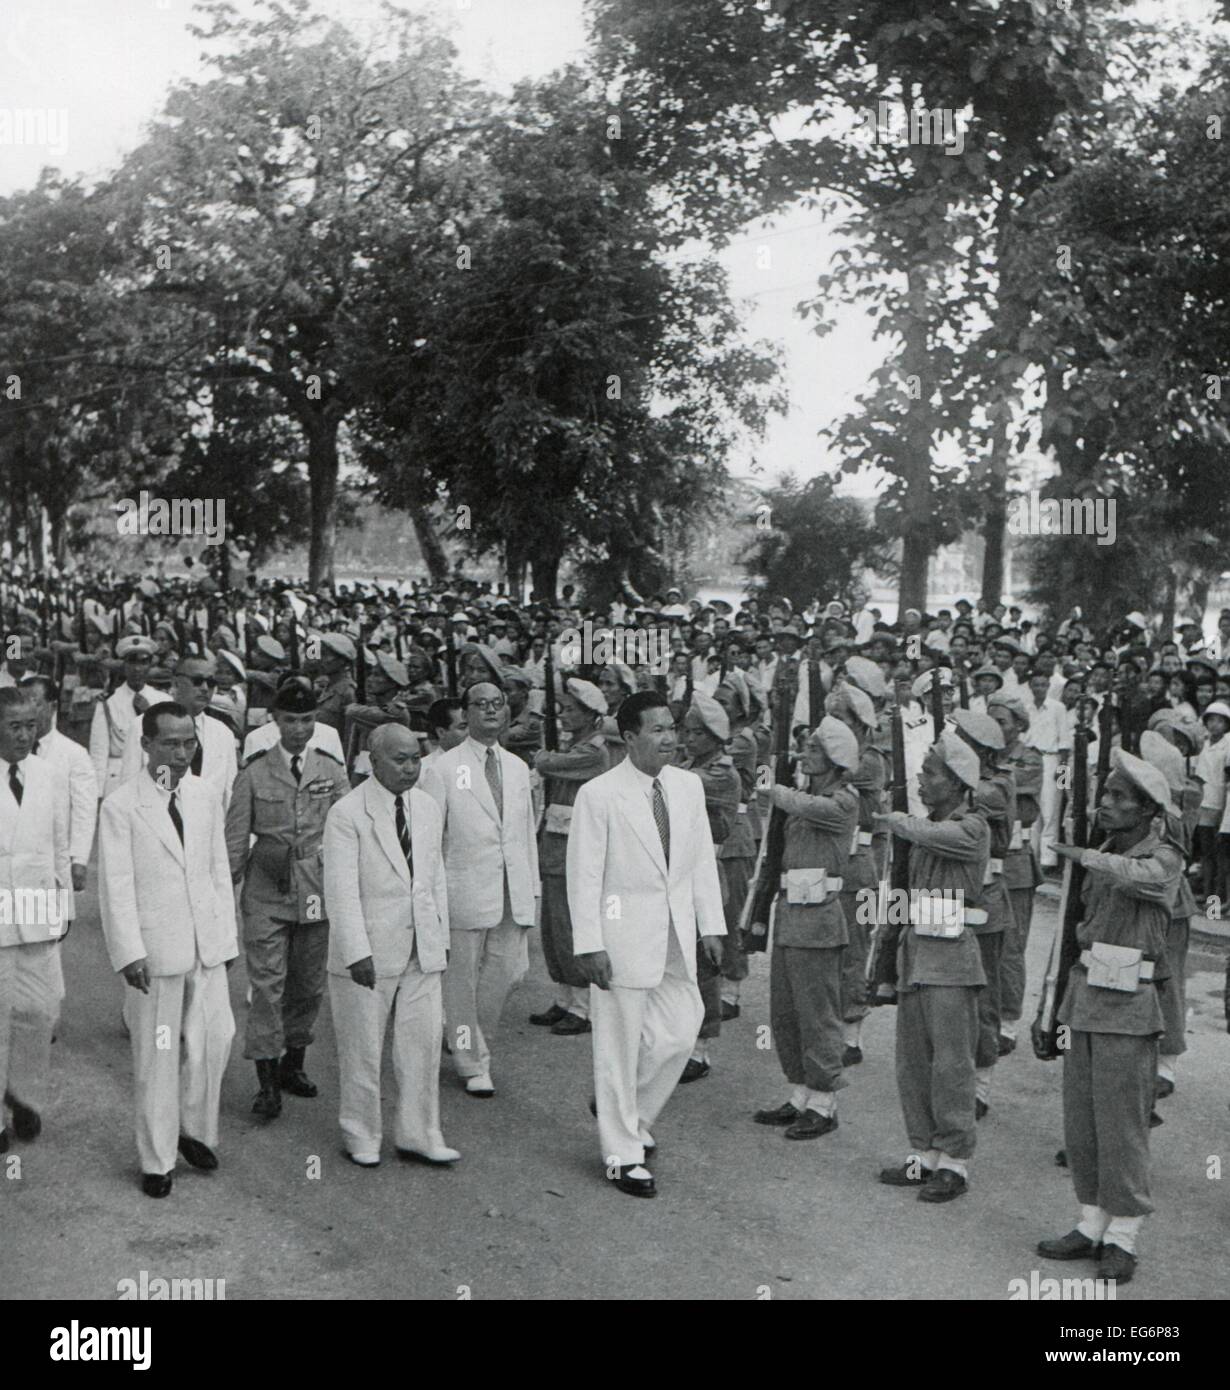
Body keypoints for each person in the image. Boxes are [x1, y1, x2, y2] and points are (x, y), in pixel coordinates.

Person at [566, 689, 725, 1198]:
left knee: (681, 1029)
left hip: (676, 933)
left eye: (672, 728)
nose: (670, 738)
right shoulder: (599, 794)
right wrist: (589, 942)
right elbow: (583, 876)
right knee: (617, 1045)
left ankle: (628, 1114)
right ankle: (621, 1155)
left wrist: (711, 926)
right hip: (620, 937)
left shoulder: (687, 788)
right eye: (656, 730)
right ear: (629, 737)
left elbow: (701, 859)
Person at [1040, 750, 1182, 1285]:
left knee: (1123, 1127)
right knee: (1084, 1122)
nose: (1105, 804)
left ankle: (1124, 1238)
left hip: (1129, 1006)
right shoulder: (1103, 850)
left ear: (1148, 810)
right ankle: (1091, 1222)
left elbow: (1138, 877)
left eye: (1119, 798)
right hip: (1086, 996)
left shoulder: (1163, 857)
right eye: (1104, 795)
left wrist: (1081, 855)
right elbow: (1068, 934)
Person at [97, 703, 238, 1198]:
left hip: (206, 942)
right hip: (155, 950)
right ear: (147, 745)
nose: (181, 754)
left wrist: (225, 937)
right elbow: (115, 886)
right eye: (170, 744)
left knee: (216, 1038)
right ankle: (157, 1159)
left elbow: (218, 870)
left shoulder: (203, 796)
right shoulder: (121, 805)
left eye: (188, 743)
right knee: (158, 1054)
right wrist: (129, 952)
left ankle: (191, 1129)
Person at [322, 724, 457, 1167]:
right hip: (368, 952)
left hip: (421, 944)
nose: (410, 767)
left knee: (421, 1045)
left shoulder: (428, 806)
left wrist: (440, 935)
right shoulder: (347, 813)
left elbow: (434, 875)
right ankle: (361, 1132)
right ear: (372, 761)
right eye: (399, 759)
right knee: (362, 1046)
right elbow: (339, 890)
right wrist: (355, 951)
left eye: (416, 758)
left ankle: (420, 1132)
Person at [226, 679, 351, 1119]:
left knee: (307, 983)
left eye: (308, 719)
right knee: (266, 985)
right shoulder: (254, 772)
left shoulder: (332, 770)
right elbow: (236, 843)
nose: (299, 729)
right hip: (266, 888)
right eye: (291, 720)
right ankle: (265, 1082)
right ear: (274, 720)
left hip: (316, 888)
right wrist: (224, 905)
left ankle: (292, 1065)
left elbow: (347, 834)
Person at [873, 733, 989, 1204]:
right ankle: (922, 1151)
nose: (921, 781)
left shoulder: (973, 827)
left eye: (930, 774)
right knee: (913, 1063)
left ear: (958, 783)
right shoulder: (923, 827)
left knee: (952, 1065)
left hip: (953, 960)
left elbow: (934, 835)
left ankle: (955, 1160)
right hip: (918, 955)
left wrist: (897, 819)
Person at [422, 681, 539, 1097]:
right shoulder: (441, 769)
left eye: (497, 704)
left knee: (505, 972)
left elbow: (525, 833)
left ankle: (469, 1041)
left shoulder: (517, 767)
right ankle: (472, 1062)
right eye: (480, 704)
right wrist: (430, 900)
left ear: (506, 711)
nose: (490, 711)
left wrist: (533, 889)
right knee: (461, 981)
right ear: (466, 714)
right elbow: (430, 840)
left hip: (512, 889)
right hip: (463, 888)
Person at [752, 715, 859, 1139]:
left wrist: (771, 785)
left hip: (819, 920)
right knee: (787, 1013)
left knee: (818, 1015)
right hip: (791, 914)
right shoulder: (800, 796)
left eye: (813, 749)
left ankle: (824, 1102)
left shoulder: (843, 801)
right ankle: (800, 1092)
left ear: (834, 758)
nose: (805, 754)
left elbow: (804, 805)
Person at [0, 688, 71, 1151]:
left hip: (38, 909)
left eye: (31, 725)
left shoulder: (46, 774)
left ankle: (22, 1093)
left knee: (41, 1009)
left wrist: (63, 905)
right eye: (14, 726)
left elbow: (58, 844)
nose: (26, 735)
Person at [529, 678, 609, 1035]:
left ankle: (583, 1006)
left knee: (573, 927)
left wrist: (543, 757)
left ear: (592, 716)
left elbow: (546, 764)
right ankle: (564, 997)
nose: (563, 716)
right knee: (554, 927)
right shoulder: (574, 746)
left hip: (577, 850)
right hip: (556, 846)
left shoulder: (593, 751)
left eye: (571, 710)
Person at [677, 692, 741, 1082]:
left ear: (715, 737)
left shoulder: (721, 774)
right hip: (678, 870)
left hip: (706, 871)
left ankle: (700, 1048)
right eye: (685, 730)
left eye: (695, 733)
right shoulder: (687, 765)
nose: (687, 738)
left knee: (704, 961)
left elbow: (677, 784)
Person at [119, 655, 238, 811]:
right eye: (197, 681)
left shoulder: (223, 733)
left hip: (207, 826)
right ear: (175, 683)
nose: (204, 688)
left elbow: (229, 793)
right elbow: (128, 784)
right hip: (159, 822)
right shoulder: (144, 724)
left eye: (210, 683)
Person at [88, 635, 172, 798]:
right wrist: (97, 797)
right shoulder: (108, 703)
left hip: (155, 780)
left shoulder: (163, 701)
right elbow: (98, 755)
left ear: (150, 664)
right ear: (124, 665)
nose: (137, 668)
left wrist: (166, 790)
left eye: (143, 662)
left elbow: (168, 752)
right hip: (119, 783)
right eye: (132, 662)